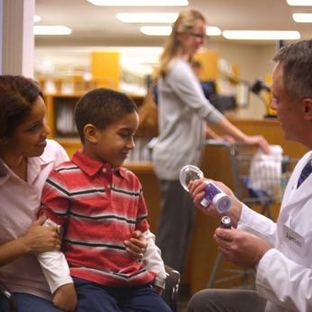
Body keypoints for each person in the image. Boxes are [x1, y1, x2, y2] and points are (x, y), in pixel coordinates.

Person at [0, 75, 147, 312]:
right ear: (3, 137)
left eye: (44, 119)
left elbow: (84, 213)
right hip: (23, 287)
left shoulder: (54, 153)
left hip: (78, 278)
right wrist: (25, 244)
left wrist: (127, 239)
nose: (47, 131)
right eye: (33, 127)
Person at [187, 39, 312, 312]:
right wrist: (237, 211)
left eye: (277, 98)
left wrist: (260, 257)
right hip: (283, 298)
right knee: (204, 302)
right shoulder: (307, 162)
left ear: (307, 108)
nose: (271, 106)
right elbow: (292, 245)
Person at [152, 8, 270, 277]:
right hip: (175, 162)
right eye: (198, 35)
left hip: (183, 160)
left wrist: (219, 138)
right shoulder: (177, 70)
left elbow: (194, 118)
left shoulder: (182, 69)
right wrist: (246, 137)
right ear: (182, 34)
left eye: (204, 37)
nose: (201, 42)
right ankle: (161, 296)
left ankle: (167, 292)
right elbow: (205, 110)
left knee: (182, 231)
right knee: (173, 235)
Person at [37, 88, 171, 312]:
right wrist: (62, 284)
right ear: (92, 133)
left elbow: (143, 233)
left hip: (133, 282)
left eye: (133, 136)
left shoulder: (131, 182)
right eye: (124, 135)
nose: (131, 145)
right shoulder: (62, 179)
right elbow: (47, 241)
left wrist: (158, 274)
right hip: (88, 284)